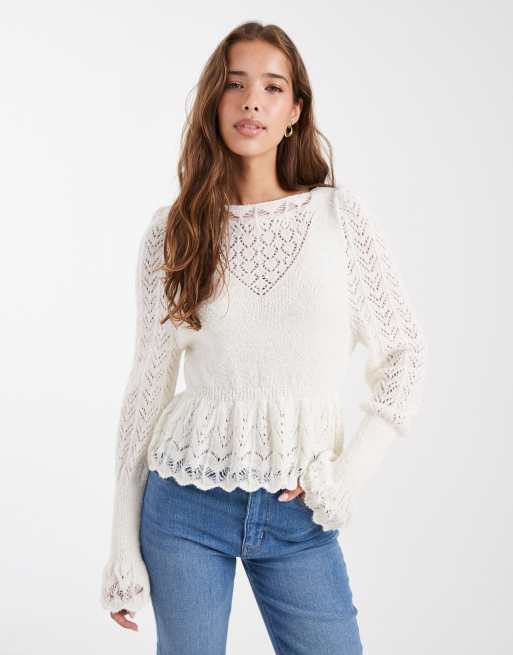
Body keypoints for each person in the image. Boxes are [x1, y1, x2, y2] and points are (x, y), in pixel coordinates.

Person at [100, 20, 428, 655]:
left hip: (300, 511)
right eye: (235, 84)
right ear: (213, 100)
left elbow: (404, 356)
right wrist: (121, 543)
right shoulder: (175, 230)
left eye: (273, 87)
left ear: (295, 111)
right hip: (184, 506)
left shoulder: (339, 219)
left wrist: (347, 476)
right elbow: (146, 387)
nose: (252, 101)